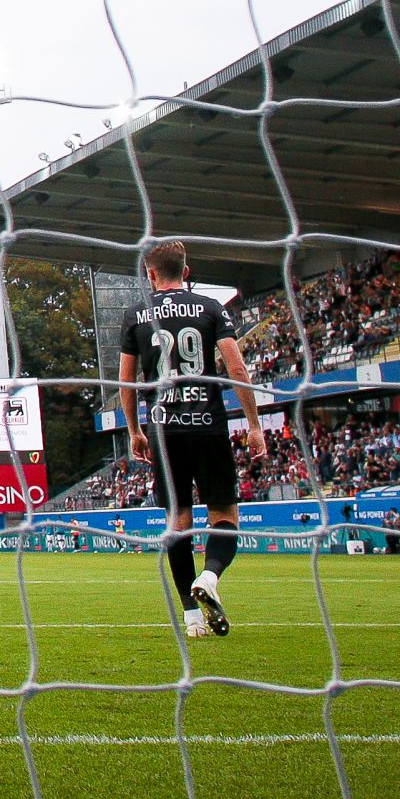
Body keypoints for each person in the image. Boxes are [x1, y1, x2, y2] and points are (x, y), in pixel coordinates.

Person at [121, 241, 265, 638]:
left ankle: (191, 617)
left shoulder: (136, 314)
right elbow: (236, 368)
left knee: (178, 521)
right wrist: (253, 424)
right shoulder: (211, 308)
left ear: (150, 274)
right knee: (224, 514)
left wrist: (134, 430)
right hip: (208, 424)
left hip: (163, 428)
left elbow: (126, 381)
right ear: (186, 271)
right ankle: (211, 576)